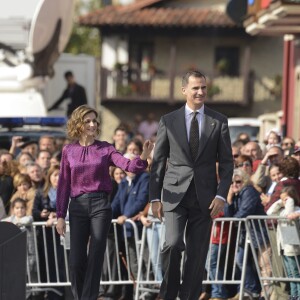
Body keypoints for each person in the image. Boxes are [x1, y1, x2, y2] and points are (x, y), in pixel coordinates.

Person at [149, 70, 233, 300]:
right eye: (195, 87)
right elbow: (158, 162)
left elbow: (227, 164)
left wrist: (221, 196)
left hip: (205, 198)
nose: (200, 92)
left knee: (197, 255)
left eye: (204, 87)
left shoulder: (219, 121)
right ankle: (168, 293)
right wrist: (154, 198)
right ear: (184, 90)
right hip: (174, 194)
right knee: (174, 244)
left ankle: (189, 296)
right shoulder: (168, 120)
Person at [55, 105, 153, 300]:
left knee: (96, 255)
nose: (92, 124)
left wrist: (142, 156)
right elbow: (63, 184)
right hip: (77, 206)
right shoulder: (68, 150)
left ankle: (89, 297)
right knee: (75, 261)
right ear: (78, 124)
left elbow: (127, 165)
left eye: (94, 121)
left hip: (100, 205)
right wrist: (59, 215)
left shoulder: (106, 148)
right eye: (88, 121)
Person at [267, 186, 300, 299]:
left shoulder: (296, 210)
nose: (284, 202)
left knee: (296, 273)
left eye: (286, 199)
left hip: (292, 247)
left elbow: (289, 214)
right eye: (282, 199)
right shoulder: (281, 210)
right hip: (283, 246)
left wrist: (289, 201)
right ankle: (293, 295)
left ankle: (298, 295)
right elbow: (269, 213)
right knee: (290, 273)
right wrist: (279, 202)